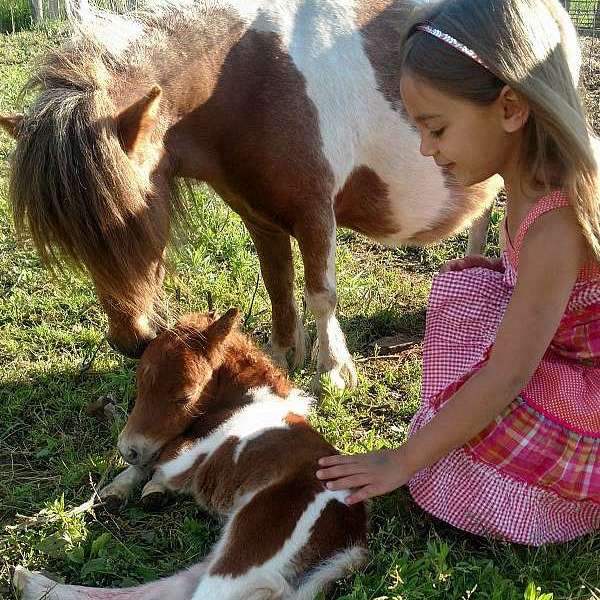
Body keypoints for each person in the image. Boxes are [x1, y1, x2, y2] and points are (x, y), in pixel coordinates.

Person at [316, 0, 600, 545]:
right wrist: (502, 270)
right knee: (467, 292)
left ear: (511, 108)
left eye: (437, 128)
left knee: (485, 404)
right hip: (562, 346)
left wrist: (399, 462)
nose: (426, 149)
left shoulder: (555, 219)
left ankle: (559, 502)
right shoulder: (521, 177)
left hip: (584, 384)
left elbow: (507, 376)